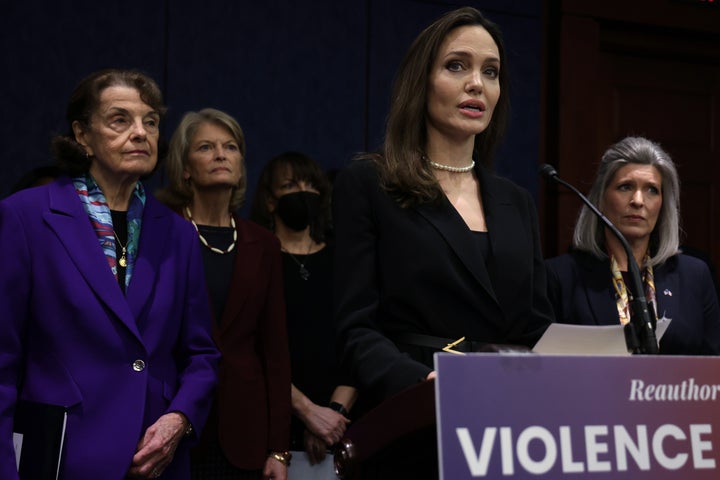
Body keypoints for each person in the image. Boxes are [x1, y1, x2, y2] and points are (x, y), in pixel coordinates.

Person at [331, 7, 553, 478]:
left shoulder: (517, 201)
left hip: (505, 427)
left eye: (490, 72)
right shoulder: (369, 183)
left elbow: (535, 324)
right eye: (457, 66)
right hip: (411, 420)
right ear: (422, 81)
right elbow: (356, 328)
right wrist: (421, 384)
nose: (477, 84)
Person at [0, 68, 220, 479]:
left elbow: (201, 355)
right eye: (121, 120)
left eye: (150, 121)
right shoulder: (26, 217)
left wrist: (181, 419)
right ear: (82, 135)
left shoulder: (177, 233)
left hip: (154, 462)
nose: (140, 132)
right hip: (62, 459)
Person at [156, 108, 291, 480]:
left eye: (230, 147)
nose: (221, 154)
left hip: (243, 429)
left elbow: (275, 351)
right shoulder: (161, 233)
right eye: (206, 147)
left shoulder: (263, 244)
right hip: (169, 420)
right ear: (185, 167)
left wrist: (279, 449)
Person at [545, 136, 720, 354]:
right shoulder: (559, 277)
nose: (638, 200)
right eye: (625, 187)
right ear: (601, 198)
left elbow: (713, 369)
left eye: (652, 190)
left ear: (663, 205)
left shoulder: (695, 275)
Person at [250, 151, 357, 469]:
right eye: (290, 185)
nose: (303, 192)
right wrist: (308, 412)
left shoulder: (344, 261)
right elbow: (251, 347)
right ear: (270, 201)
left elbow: (361, 340)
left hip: (341, 428)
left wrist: (333, 416)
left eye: (311, 185)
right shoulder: (256, 261)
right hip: (274, 425)